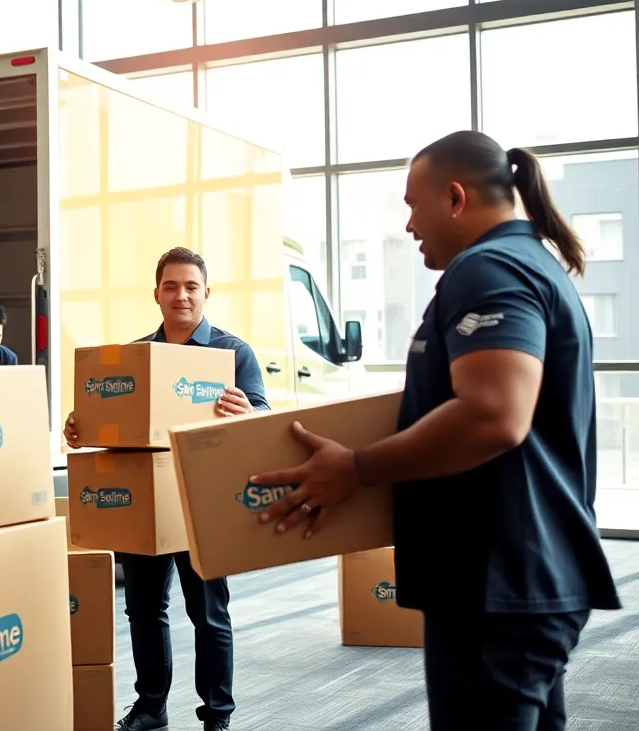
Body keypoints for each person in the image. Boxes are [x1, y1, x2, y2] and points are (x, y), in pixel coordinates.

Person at [249, 131, 621, 730]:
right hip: (507, 580)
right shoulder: (516, 265)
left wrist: (357, 467)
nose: (408, 224)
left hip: (500, 583)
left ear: (454, 197)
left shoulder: (490, 268)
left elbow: (494, 412)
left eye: (412, 204)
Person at [64, 247, 267, 731]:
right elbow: (107, 421)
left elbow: (264, 418)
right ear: (156, 294)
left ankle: (217, 715)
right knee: (143, 610)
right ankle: (151, 706)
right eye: (171, 286)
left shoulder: (231, 353)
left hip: (203, 501)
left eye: (191, 286)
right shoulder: (137, 357)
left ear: (205, 293)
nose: (181, 295)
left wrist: (249, 412)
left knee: (208, 614)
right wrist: (81, 426)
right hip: (144, 500)